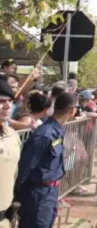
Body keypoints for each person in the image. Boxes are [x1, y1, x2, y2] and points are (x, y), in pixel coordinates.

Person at [15, 93, 79, 228]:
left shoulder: (56, 131)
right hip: (38, 194)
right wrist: (17, 195)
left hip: (50, 192)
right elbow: (26, 165)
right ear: (72, 110)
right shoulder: (45, 134)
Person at [0, 79, 22, 228]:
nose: (8, 105)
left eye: (10, 100)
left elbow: (14, 174)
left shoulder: (12, 135)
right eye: (1, 101)